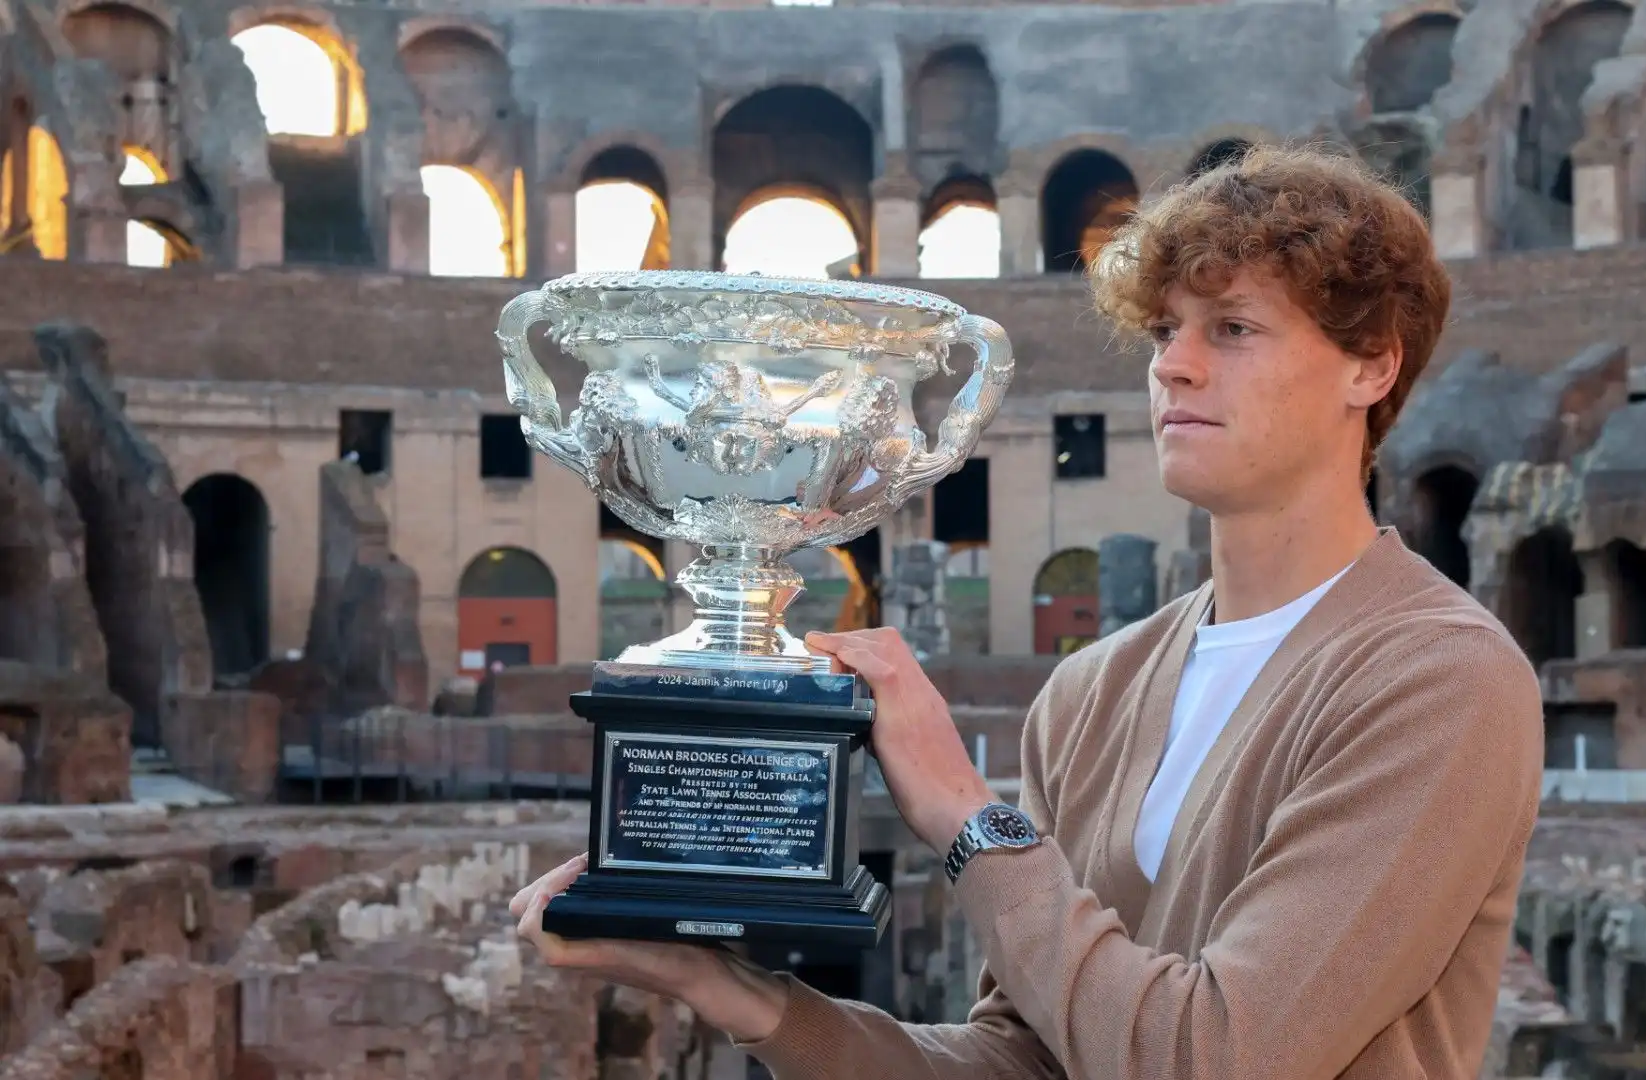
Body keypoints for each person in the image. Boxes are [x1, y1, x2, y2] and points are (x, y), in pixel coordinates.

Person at [510, 141, 1545, 1080]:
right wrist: (742, 996)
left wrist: (966, 815)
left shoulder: (1439, 677)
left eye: (1233, 328)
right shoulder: (1095, 689)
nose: (1174, 365)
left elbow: (1220, 1057)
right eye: (1164, 330)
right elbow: (1027, 1062)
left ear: (1372, 364)